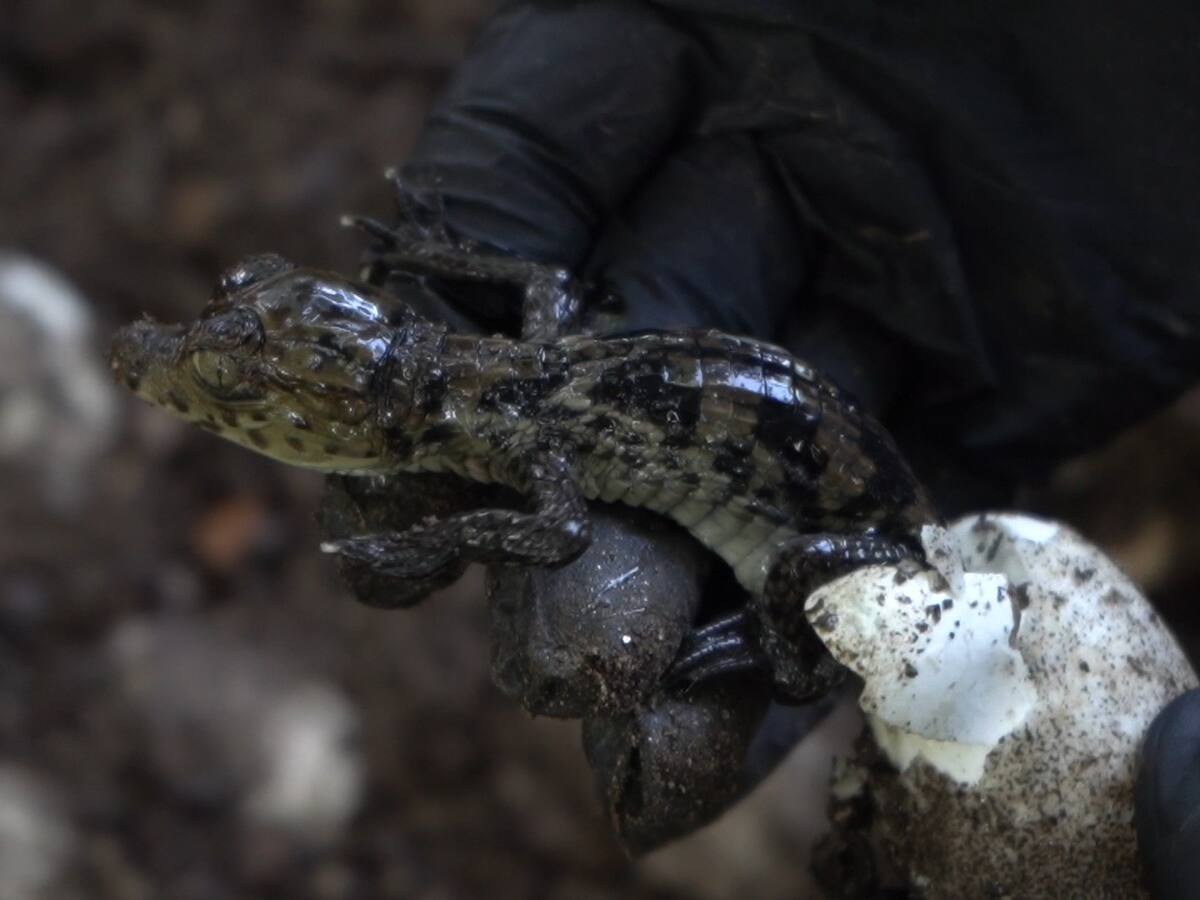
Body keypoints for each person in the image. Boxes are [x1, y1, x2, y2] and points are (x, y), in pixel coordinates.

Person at [331, 2, 1200, 895]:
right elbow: (545, 291)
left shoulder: (537, 407)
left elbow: (559, 502)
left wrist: (447, 536)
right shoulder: (539, 374)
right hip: (818, 447)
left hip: (853, 510)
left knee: (804, 623)